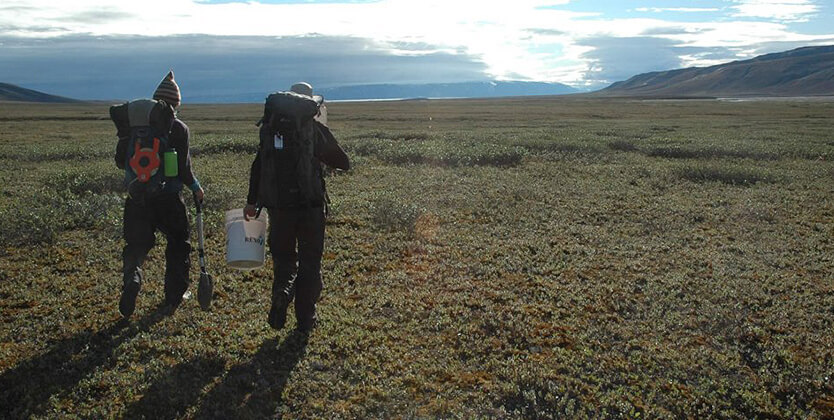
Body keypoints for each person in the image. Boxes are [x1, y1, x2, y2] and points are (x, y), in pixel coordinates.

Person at [245, 82, 349, 333]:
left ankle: (282, 291)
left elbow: (258, 166)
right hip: (310, 207)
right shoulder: (313, 130)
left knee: (283, 259)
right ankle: (305, 319)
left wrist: (251, 202)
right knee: (310, 262)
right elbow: (343, 162)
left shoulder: (270, 130)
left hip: (279, 208)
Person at [112, 71, 205, 318]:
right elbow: (184, 170)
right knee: (178, 245)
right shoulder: (179, 128)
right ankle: (173, 296)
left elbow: (121, 161)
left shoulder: (133, 128)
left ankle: (133, 276)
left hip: (137, 197)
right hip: (169, 198)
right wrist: (195, 187)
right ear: (175, 104)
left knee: (136, 244)